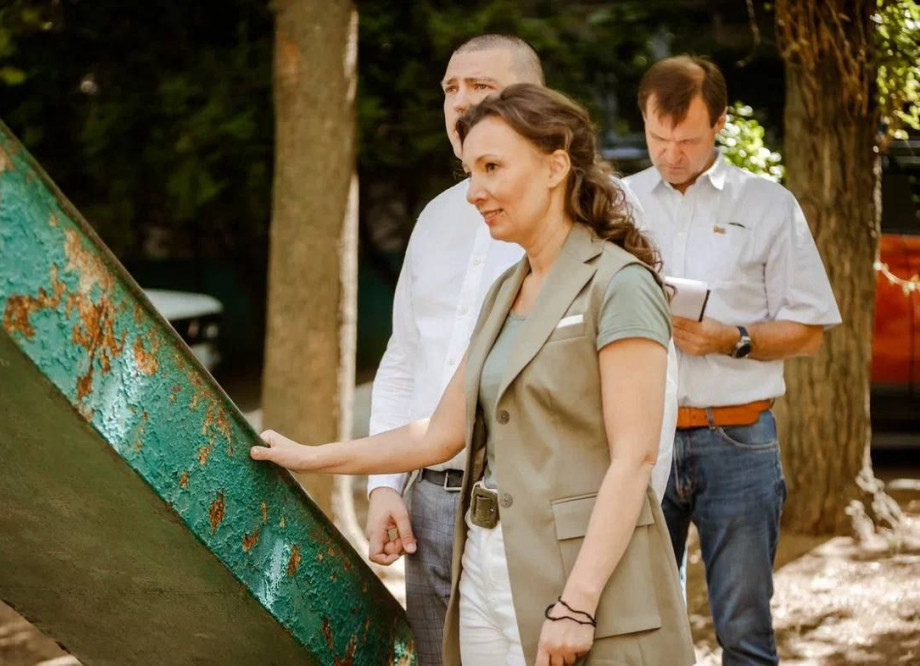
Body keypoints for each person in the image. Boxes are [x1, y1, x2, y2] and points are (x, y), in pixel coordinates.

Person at [253, 84, 695, 666]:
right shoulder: (506, 291)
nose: (474, 192)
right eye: (469, 172)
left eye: (491, 168)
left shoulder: (621, 284)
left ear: (555, 166)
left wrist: (577, 605)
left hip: (576, 578)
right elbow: (439, 434)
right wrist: (313, 457)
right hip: (484, 568)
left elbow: (634, 458)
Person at [365, 34, 677, 665]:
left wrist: (615, 544)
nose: (460, 102)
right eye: (450, 88)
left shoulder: (602, 221)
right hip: (429, 508)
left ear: (531, 100)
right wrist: (383, 487)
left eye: (481, 86)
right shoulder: (434, 219)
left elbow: (652, 407)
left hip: (548, 518)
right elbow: (404, 360)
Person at [624, 56, 841, 666]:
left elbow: (810, 332)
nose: (671, 155)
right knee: (639, 633)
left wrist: (732, 339)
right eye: (658, 138)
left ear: (720, 123)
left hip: (740, 440)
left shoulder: (769, 204)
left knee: (744, 634)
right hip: (639, 441)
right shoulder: (617, 202)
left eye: (688, 140)